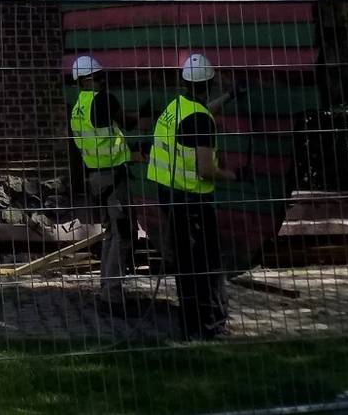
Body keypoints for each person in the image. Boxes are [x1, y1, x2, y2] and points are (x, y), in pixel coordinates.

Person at [147, 52, 238, 339]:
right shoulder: (200, 121)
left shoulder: (176, 107)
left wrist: (226, 99)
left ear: (184, 82)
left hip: (169, 195)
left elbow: (196, 120)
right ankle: (212, 327)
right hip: (192, 200)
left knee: (185, 264)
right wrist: (232, 175)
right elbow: (205, 170)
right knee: (208, 265)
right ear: (209, 83)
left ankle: (190, 326)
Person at [68, 53, 135, 314]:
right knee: (122, 235)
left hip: (96, 177)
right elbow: (126, 123)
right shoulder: (104, 101)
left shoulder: (78, 107)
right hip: (113, 177)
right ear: (94, 78)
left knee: (110, 233)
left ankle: (107, 288)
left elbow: (102, 138)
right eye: (100, 76)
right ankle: (113, 297)